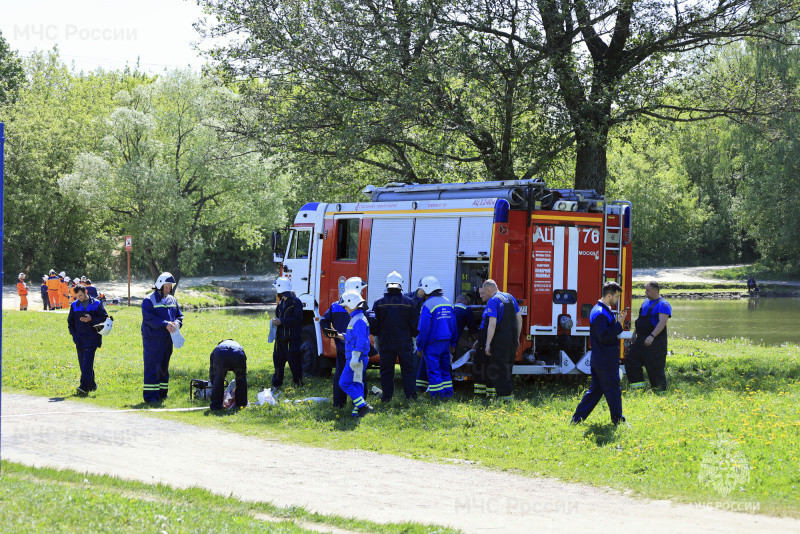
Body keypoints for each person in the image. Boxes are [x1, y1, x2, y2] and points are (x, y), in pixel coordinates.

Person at [571, 282, 628, 426]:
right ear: (609, 295)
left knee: (595, 392)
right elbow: (604, 336)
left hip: (600, 359)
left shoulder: (600, 310)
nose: (617, 299)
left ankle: (576, 420)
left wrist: (616, 322)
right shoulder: (600, 314)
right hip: (605, 360)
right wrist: (619, 323)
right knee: (614, 390)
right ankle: (618, 420)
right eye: (616, 296)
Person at [372, 271, 417, 402]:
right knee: (407, 370)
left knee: (386, 371)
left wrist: (378, 338)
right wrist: (414, 337)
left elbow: (374, 325)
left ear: (387, 284)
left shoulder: (378, 302)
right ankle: (411, 397)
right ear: (400, 285)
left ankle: (386, 398)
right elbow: (414, 324)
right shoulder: (409, 302)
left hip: (386, 342)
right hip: (404, 342)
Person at [141, 272, 183, 403]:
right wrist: (165, 324)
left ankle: (162, 394)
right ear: (159, 286)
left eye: (170, 287)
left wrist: (177, 323)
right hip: (153, 339)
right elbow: (149, 318)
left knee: (164, 367)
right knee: (153, 367)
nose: (168, 289)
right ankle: (150, 397)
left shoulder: (172, 300)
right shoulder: (149, 300)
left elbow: (179, 315)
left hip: (167, 339)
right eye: (166, 287)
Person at [416, 276, 459, 399]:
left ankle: (437, 397)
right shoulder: (448, 302)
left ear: (426, 289)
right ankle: (448, 394)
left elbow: (423, 328)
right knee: (445, 370)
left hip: (432, 343)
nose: (419, 291)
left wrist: (420, 346)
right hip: (446, 343)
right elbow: (454, 325)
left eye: (421, 288)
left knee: (434, 370)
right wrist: (453, 344)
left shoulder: (428, 304)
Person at [626, 281, 672, 392]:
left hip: (655, 342)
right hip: (641, 340)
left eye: (648, 290)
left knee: (655, 369)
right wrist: (634, 333)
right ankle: (638, 389)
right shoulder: (646, 302)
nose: (645, 292)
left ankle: (660, 392)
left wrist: (652, 336)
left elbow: (662, 323)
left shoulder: (663, 304)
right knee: (631, 362)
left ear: (655, 291)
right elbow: (641, 319)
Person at [481, 280, 522, 401]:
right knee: (508, 367)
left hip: (500, 339)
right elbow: (519, 319)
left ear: (488, 290)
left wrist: (487, 344)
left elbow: (492, 324)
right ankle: (509, 394)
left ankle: (505, 397)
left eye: (483, 292)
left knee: (498, 368)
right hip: (512, 338)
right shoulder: (510, 297)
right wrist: (517, 338)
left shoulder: (493, 301)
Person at [67, 284, 109, 395]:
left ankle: (83, 387)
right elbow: (70, 322)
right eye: (77, 296)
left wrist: (91, 319)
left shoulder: (96, 303)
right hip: (79, 339)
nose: (79, 298)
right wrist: (74, 335)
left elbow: (104, 318)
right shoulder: (74, 305)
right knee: (83, 364)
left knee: (87, 363)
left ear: (85, 291)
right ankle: (92, 385)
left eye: (80, 295)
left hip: (92, 338)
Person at [339, 290, 374, 417]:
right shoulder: (358, 318)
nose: (345, 308)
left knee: (344, 382)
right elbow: (354, 338)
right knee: (357, 382)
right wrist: (340, 336)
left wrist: (355, 356)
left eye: (346, 305)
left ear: (353, 304)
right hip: (359, 357)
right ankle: (357, 412)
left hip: (356, 357)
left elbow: (362, 340)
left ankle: (363, 406)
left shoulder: (357, 320)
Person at [319, 291, 352, 408]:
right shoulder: (358, 306)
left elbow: (323, 321)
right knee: (358, 377)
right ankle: (358, 405)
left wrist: (331, 333)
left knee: (340, 375)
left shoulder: (335, 305)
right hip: (355, 348)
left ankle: (339, 404)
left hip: (341, 347)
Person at [271, 277, 304, 390]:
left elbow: (298, 319)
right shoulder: (281, 302)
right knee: (278, 361)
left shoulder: (296, 302)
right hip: (280, 338)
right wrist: (275, 320)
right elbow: (280, 317)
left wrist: (282, 321)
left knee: (294, 362)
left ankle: (298, 383)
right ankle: (276, 384)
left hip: (292, 338)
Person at [209, 339, 248, 410]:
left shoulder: (217, 348)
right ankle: (241, 405)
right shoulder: (236, 343)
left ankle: (216, 406)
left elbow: (213, 374)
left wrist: (214, 383)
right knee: (241, 379)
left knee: (218, 379)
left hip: (220, 353)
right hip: (237, 352)